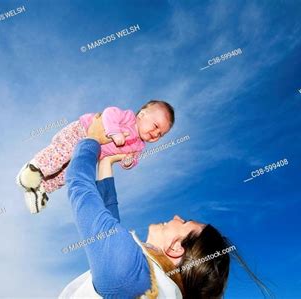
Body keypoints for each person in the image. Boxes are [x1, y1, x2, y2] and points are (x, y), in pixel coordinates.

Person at [59, 115, 272, 298]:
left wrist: (91, 140)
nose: (177, 216)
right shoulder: (155, 286)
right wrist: (106, 163)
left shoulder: (128, 275)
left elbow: (81, 189)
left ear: (176, 248)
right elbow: (108, 222)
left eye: (185, 222)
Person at [16, 100, 175, 214]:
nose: (155, 134)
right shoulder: (128, 118)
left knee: (67, 173)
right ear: (142, 114)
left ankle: (41, 189)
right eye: (155, 126)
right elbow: (109, 113)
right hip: (82, 132)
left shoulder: (139, 146)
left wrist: (128, 162)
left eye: (160, 134)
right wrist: (114, 131)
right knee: (60, 154)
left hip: (90, 152)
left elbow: (132, 160)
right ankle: (34, 168)